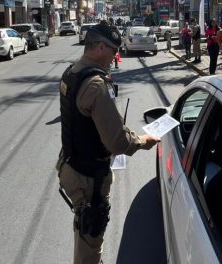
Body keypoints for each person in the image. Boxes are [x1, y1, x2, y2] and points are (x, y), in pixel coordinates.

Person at [56, 22, 160, 264]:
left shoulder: (72, 72)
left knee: (84, 228)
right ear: (100, 47)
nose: (117, 55)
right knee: (91, 240)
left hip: (70, 165)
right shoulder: (96, 85)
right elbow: (118, 143)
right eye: (114, 49)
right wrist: (142, 140)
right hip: (88, 178)